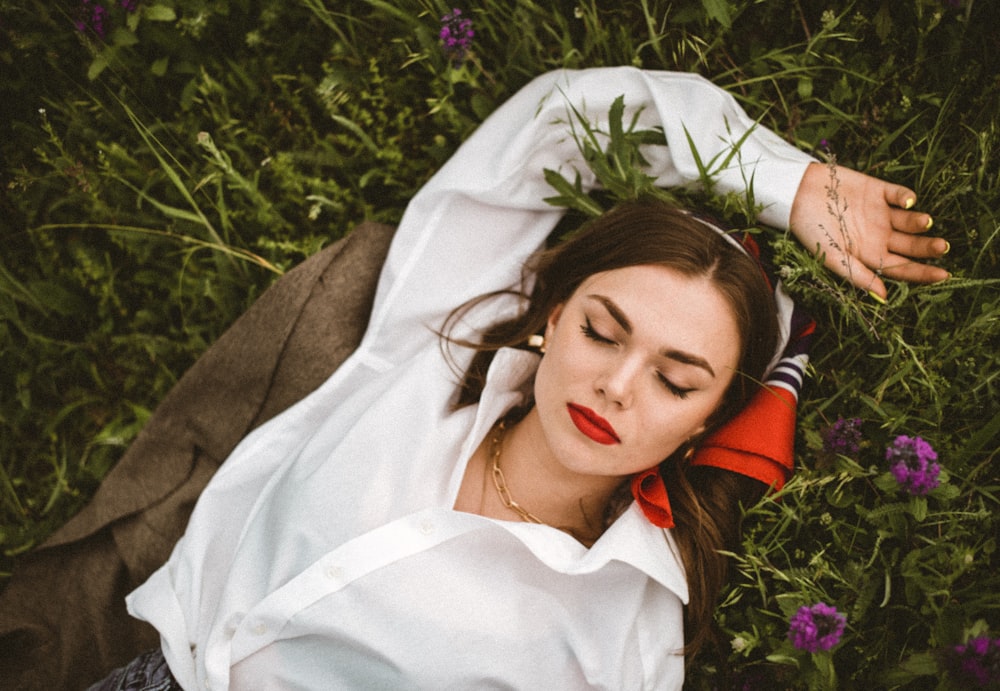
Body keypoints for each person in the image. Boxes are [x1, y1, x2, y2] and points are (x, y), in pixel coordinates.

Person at [12, 67, 948, 691]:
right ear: (549, 313)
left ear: (708, 425)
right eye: (601, 329)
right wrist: (783, 185)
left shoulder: (629, 620)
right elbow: (564, 122)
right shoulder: (425, 347)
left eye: (676, 380)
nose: (617, 384)